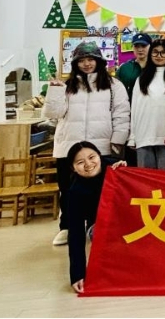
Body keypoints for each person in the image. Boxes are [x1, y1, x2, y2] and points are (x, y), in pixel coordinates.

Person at [42, 42, 130, 247]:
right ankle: (67, 226)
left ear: (99, 61)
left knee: (97, 191)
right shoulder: (68, 85)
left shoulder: (114, 85)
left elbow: (122, 114)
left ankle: (94, 225)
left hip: (100, 148)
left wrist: (118, 140)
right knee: (68, 189)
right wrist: (55, 91)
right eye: (82, 60)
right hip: (68, 147)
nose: (87, 64)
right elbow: (53, 114)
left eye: (91, 59)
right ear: (75, 63)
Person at [66, 142, 127, 294]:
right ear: (73, 167)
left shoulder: (115, 168)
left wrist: (127, 170)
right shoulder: (75, 191)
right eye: (80, 162)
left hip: (129, 220)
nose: (88, 164)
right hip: (99, 226)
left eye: (92, 157)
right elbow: (75, 233)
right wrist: (77, 273)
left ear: (100, 155)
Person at [128, 39, 165, 169]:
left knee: (164, 178)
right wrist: (132, 137)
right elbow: (134, 108)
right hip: (144, 135)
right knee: (145, 178)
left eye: (164, 52)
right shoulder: (141, 79)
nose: (159, 56)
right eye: (155, 52)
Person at [116, 32, 151, 101]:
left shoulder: (156, 67)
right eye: (136, 46)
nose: (140, 49)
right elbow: (117, 89)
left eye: (143, 46)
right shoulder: (125, 68)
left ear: (150, 47)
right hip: (129, 105)